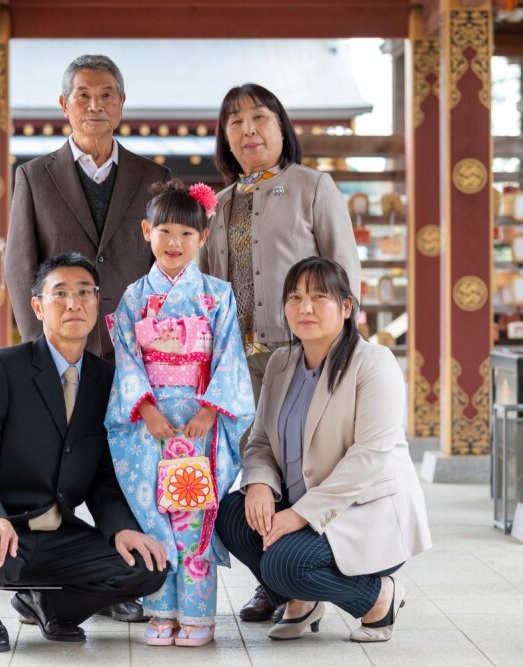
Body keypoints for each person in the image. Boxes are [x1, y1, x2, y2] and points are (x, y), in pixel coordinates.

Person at [0, 253, 168, 653]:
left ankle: (49, 602)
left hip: (57, 534)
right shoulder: (3, 368)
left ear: (97, 303)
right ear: (38, 306)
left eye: (84, 293)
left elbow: (102, 477)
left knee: (147, 568)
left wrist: (120, 527)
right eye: (59, 293)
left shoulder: (106, 379)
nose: (73, 303)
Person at [198, 82, 362, 623]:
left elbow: (344, 273)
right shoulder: (218, 205)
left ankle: (309, 575)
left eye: (259, 117)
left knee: (302, 469)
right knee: (253, 474)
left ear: (281, 127)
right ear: (224, 136)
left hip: (301, 358)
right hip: (237, 368)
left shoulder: (313, 187)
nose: (248, 129)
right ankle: (271, 581)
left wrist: (342, 351)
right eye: (235, 121)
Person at [214, 257, 431, 643]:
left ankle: (378, 598)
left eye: (318, 297)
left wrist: (299, 515)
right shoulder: (281, 363)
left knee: (283, 563)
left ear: (347, 308)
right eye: (294, 298)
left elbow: (368, 459)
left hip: (363, 513)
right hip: (304, 511)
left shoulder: (374, 364)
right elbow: (261, 440)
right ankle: (303, 599)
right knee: (231, 514)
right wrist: (260, 485)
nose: (305, 308)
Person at [105, 181, 255, 646]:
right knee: (154, 514)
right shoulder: (134, 297)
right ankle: (160, 610)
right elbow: (128, 357)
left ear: (203, 238)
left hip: (199, 422)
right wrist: (145, 407)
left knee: (193, 514)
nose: (174, 243)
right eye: (164, 231)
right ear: (147, 231)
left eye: (187, 234)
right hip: (150, 424)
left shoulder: (217, 295)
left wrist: (212, 411)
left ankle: (197, 617)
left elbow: (230, 356)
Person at [6, 54, 170, 364]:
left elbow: (163, 264)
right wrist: (37, 344)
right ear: (64, 104)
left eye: (106, 95)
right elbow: (19, 265)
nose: (95, 105)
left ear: (121, 102)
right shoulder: (34, 176)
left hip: (134, 347)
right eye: (83, 95)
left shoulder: (153, 178)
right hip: (61, 343)